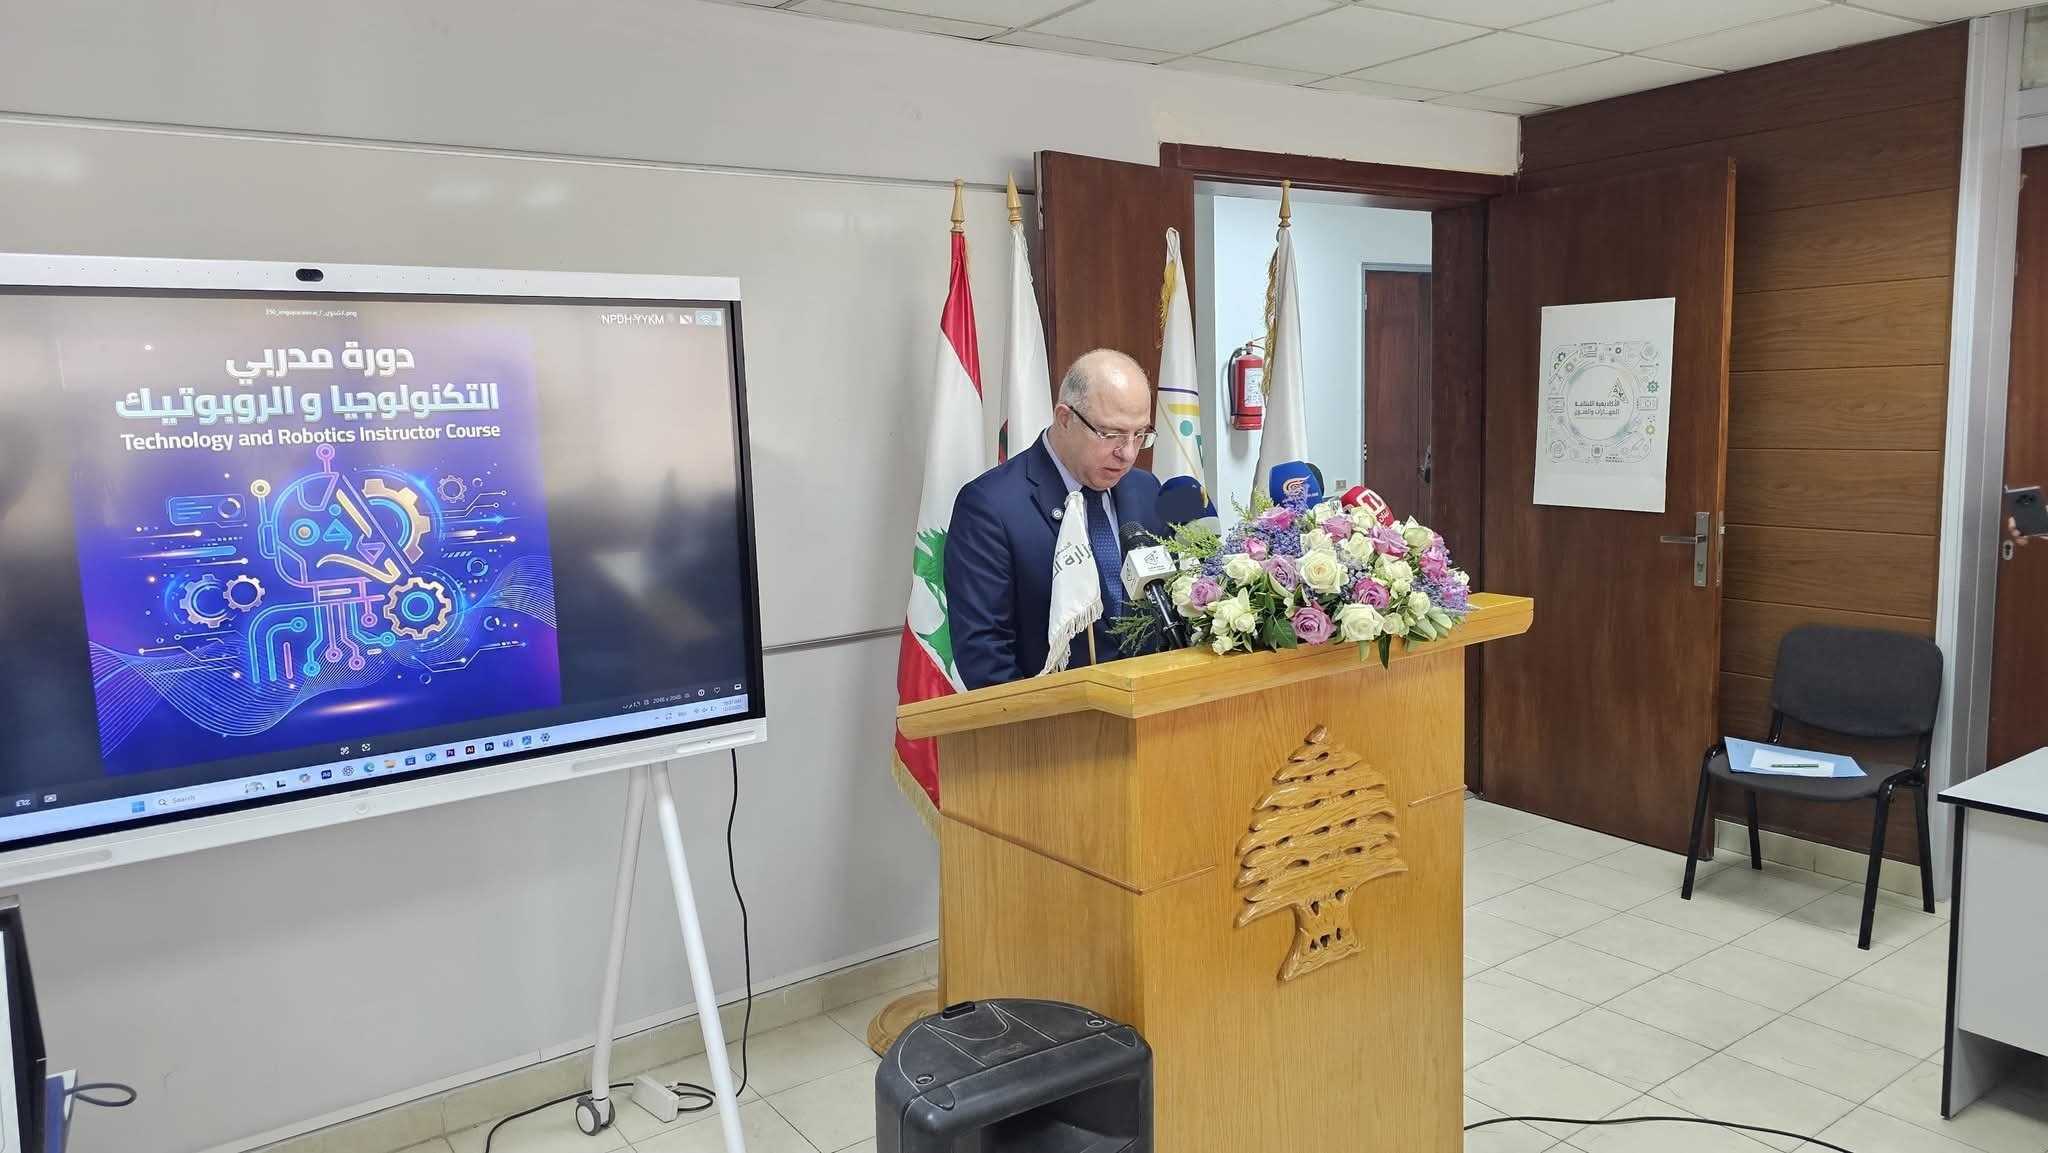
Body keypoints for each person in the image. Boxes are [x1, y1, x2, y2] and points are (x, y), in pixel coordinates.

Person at [946, 348, 1168, 689]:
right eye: (1111, 434)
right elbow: (984, 655)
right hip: (1053, 717)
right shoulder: (990, 506)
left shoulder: (1145, 490)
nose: (1127, 453)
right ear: (1065, 418)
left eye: (1140, 435)